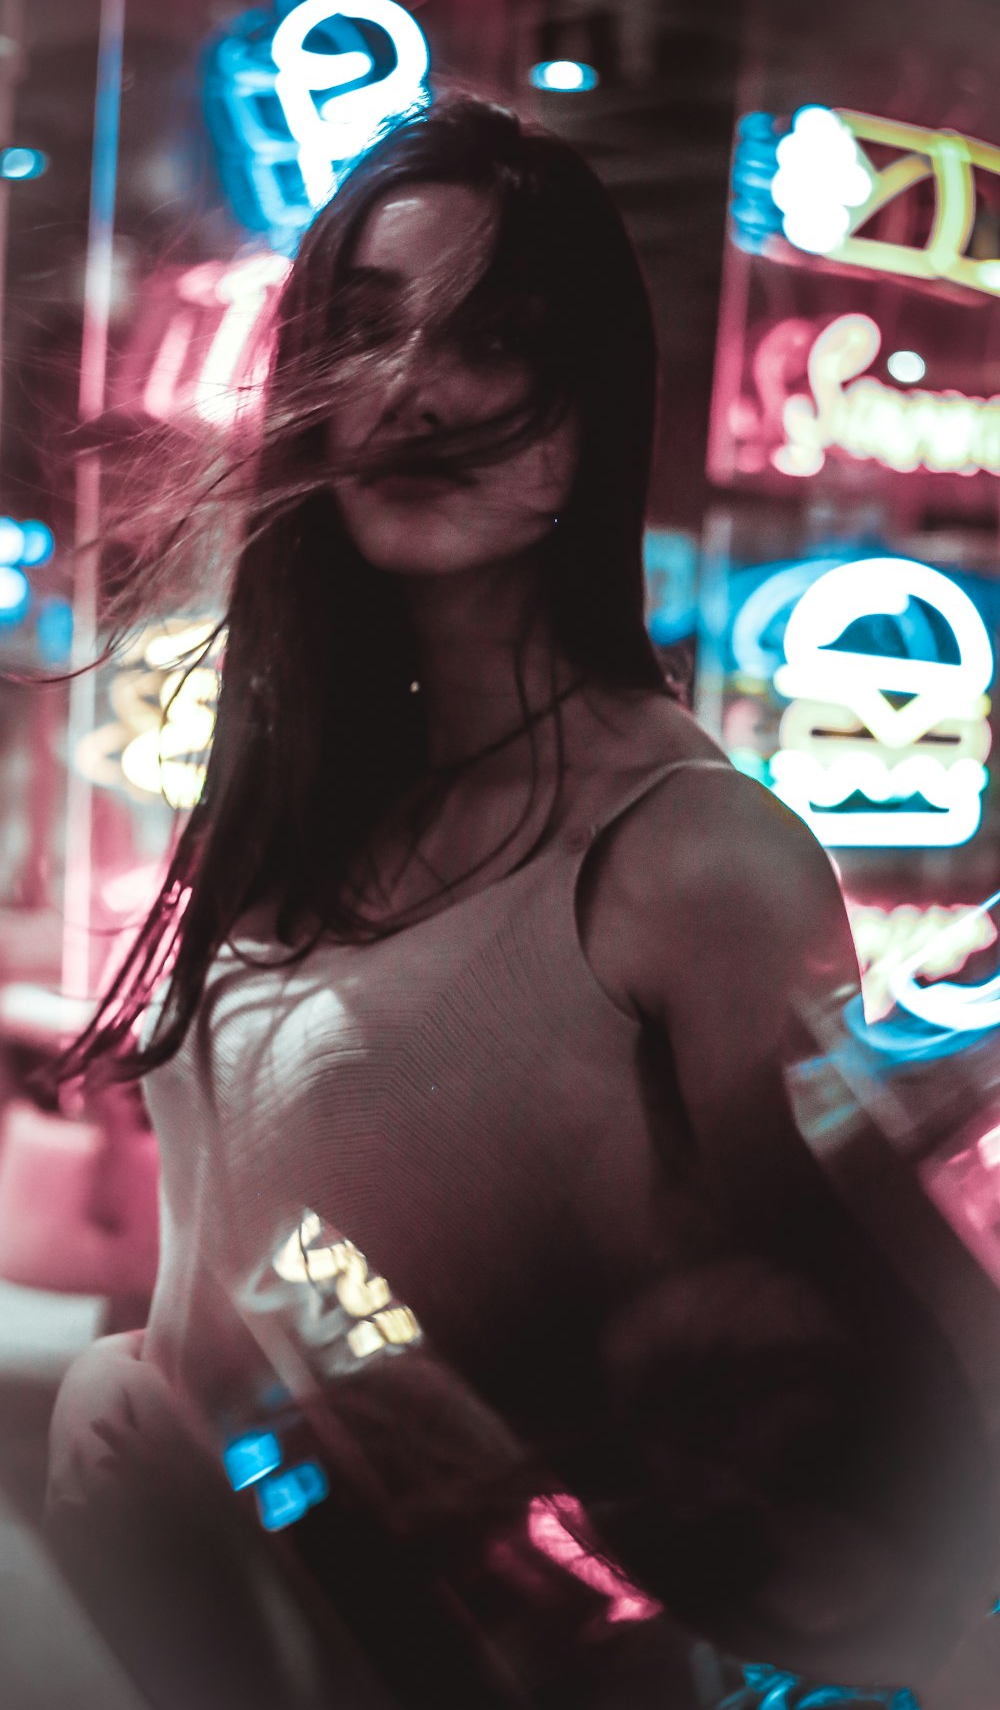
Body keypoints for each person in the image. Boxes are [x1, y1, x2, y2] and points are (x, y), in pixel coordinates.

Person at [46, 96, 993, 1705]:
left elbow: (881, 1471)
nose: (413, 389)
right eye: (368, 327)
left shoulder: (693, 861)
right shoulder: (286, 821)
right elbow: (232, 1311)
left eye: (491, 338)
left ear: (582, 417)